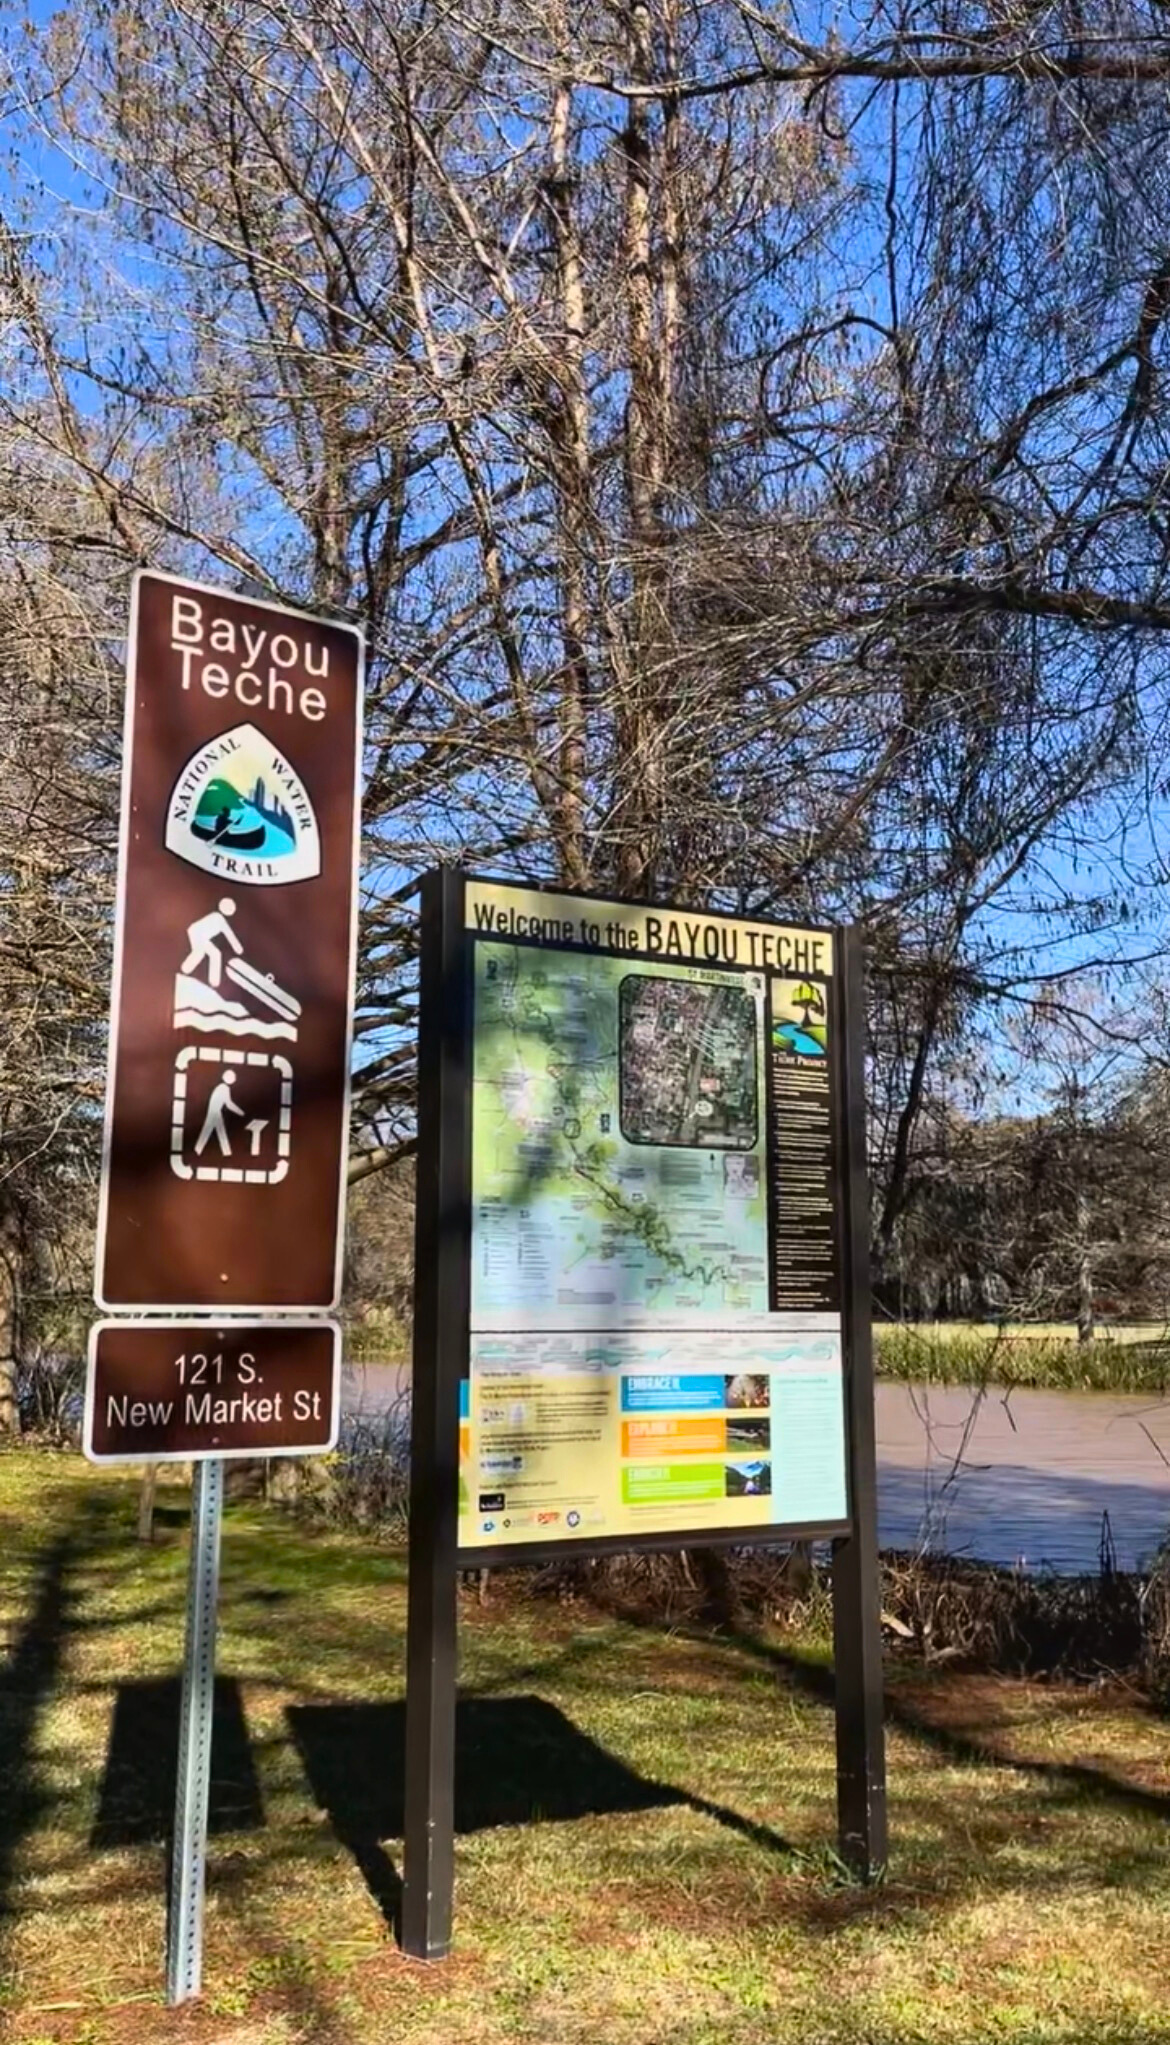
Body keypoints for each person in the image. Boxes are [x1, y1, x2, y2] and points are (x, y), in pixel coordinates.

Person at [182, 899, 243, 988]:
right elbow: (230, 935)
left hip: (198, 934)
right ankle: (187, 970)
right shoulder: (218, 918)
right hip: (196, 933)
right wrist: (238, 949)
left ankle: (188, 970)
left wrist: (238, 949)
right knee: (207, 952)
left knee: (212, 953)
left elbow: (230, 936)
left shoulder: (218, 918)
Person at [194, 1068, 246, 1157]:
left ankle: (225, 1152)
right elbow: (228, 1104)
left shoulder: (221, 1087)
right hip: (214, 1112)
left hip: (215, 1112)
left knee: (217, 1132)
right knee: (212, 1131)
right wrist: (241, 1112)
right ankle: (199, 1150)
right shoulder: (224, 1088)